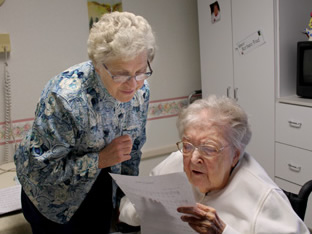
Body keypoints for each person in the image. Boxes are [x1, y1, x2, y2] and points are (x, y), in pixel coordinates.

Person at [14, 11, 156, 234]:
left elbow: (132, 151)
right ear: (99, 65)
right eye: (121, 74)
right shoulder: (64, 98)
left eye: (140, 72)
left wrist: (125, 198)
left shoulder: (140, 90)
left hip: (99, 185)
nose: (133, 84)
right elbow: (41, 170)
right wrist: (99, 159)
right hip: (51, 198)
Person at [119, 95, 310, 233]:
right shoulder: (174, 163)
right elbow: (126, 212)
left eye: (208, 148)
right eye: (187, 145)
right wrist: (143, 209)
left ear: (235, 154)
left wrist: (224, 232)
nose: (193, 158)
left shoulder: (262, 195)